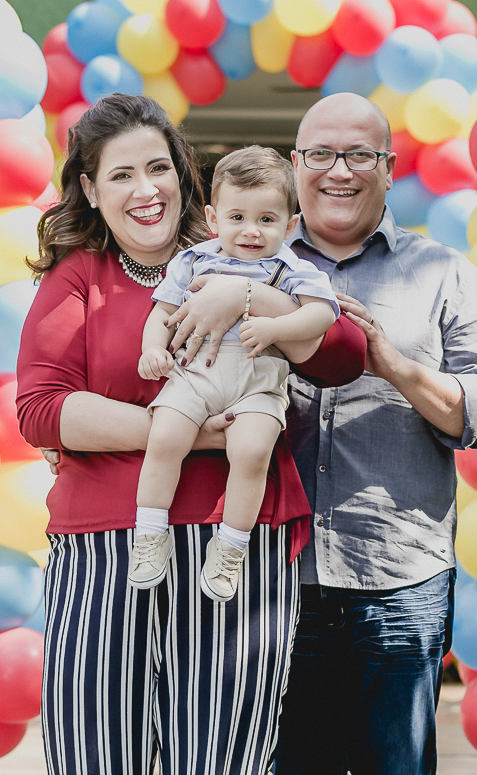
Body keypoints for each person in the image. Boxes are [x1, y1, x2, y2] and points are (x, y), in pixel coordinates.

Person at [167, 92, 477, 775]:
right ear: (297, 165)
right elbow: (160, 366)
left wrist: (394, 365)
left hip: (398, 583)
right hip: (268, 583)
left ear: (388, 168)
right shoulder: (224, 264)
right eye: (323, 154)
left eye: (360, 154)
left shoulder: (442, 273)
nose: (340, 170)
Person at [15, 94, 366, 775]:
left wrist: (245, 296)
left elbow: (343, 352)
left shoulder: (249, 251)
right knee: (94, 753)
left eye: (159, 169)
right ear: (89, 188)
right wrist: (179, 432)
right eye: (121, 175)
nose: (145, 191)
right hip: (102, 549)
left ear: (184, 177)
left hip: (237, 547)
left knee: (222, 759)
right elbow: (40, 409)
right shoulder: (78, 278)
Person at [133, 146, 339, 603]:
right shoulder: (192, 262)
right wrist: (152, 348)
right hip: (193, 376)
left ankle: (231, 546)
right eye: (237, 217)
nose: (251, 231)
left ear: (289, 226)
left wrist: (276, 326)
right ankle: (149, 534)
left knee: (251, 452)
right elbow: (162, 311)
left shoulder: (291, 269)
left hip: (257, 385)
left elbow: (322, 315)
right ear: (212, 219)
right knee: (164, 438)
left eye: (267, 220)